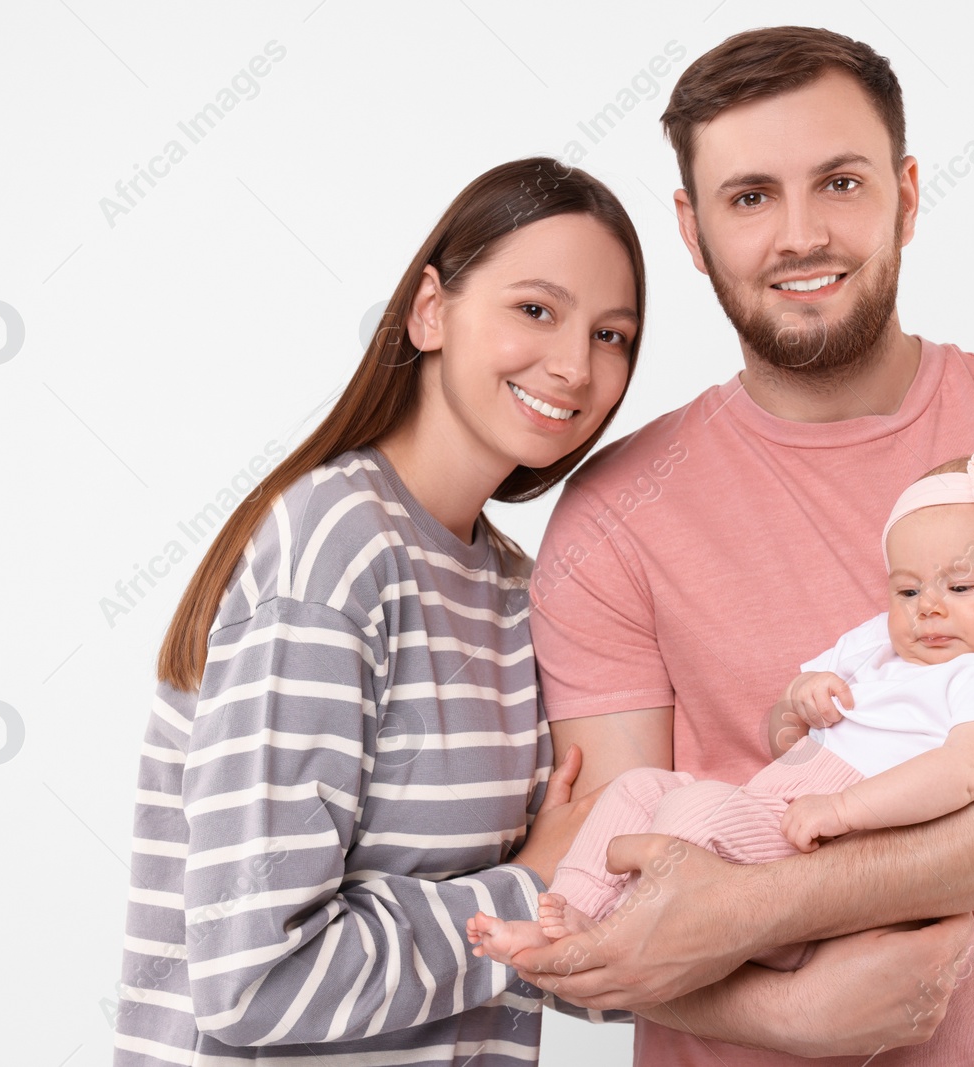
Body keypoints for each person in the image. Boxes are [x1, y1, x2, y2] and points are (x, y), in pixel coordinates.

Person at [507, 25, 974, 1066]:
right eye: (749, 197)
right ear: (692, 231)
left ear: (908, 195)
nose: (800, 235)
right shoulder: (611, 512)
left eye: (838, 182)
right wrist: (780, 1011)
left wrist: (756, 904)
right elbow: (604, 889)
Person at [109, 156, 647, 1067]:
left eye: (613, 335)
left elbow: (537, 955)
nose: (573, 364)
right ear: (430, 309)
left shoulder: (517, 589)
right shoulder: (334, 549)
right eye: (536, 309)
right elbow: (252, 981)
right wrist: (526, 887)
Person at [467, 450, 974, 971]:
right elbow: (785, 733)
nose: (927, 609)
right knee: (637, 792)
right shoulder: (876, 643)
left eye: (960, 588)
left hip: (828, 843)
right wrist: (801, 698)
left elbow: (963, 773)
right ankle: (569, 910)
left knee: (691, 815)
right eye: (907, 591)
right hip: (774, 800)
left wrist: (844, 809)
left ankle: (618, 940)